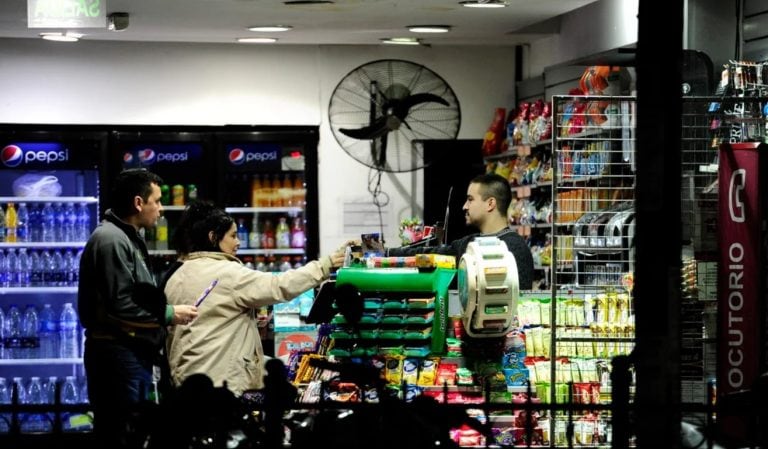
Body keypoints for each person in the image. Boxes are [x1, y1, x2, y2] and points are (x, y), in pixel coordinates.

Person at [164, 200, 347, 396]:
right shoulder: (227, 273)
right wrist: (324, 266)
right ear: (213, 237)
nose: (238, 242)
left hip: (185, 380)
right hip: (221, 383)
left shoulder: (176, 273)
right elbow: (280, 286)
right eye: (233, 236)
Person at [77, 168, 199, 449]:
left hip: (129, 353)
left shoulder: (127, 236)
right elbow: (120, 305)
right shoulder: (112, 240)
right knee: (125, 433)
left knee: (132, 430)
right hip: (118, 354)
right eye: (156, 200)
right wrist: (170, 314)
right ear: (138, 203)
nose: (161, 208)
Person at [386, 173, 534, 290]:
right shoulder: (468, 244)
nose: (464, 206)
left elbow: (520, 302)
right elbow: (431, 254)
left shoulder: (515, 248)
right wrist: (386, 254)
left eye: (470, 199)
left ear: (490, 204)